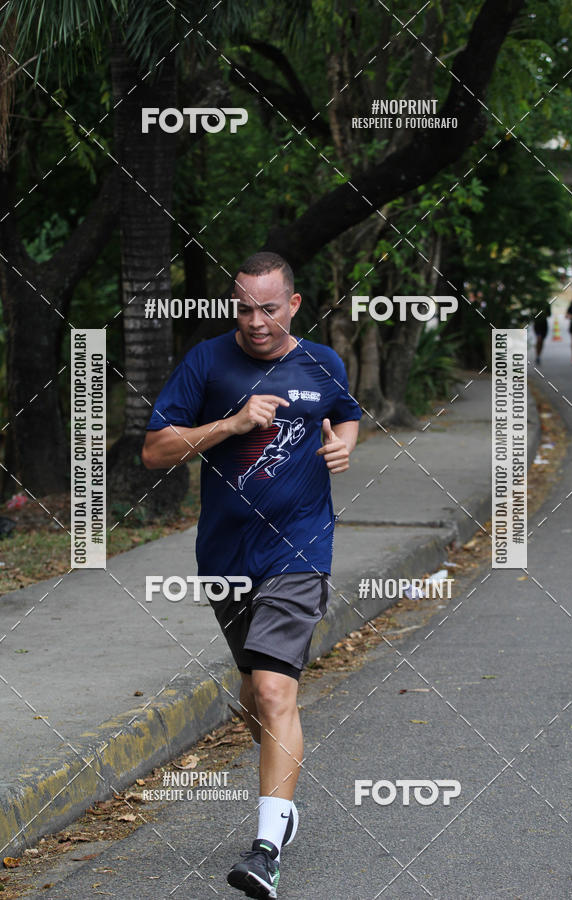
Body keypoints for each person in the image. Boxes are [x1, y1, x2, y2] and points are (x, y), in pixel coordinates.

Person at [142, 251, 361, 899]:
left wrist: (344, 442)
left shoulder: (323, 361)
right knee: (254, 696)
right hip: (225, 557)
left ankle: (266, 847)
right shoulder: (207, 363)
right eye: (244, 307)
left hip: (299, 550)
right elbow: (155, 450)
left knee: (272, 692)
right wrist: (231, 422)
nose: (256, 321)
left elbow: (345, 409)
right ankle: (282, 790)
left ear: (294, 304)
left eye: (269, 307)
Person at [532, 300, 551, 366]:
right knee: (539, 339)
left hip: (544, 324)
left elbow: (549, 314)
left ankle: (539, 356)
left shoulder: (546, 304)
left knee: (542, 341)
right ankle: (537, 355)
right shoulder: (535, 302)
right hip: (537, 324)